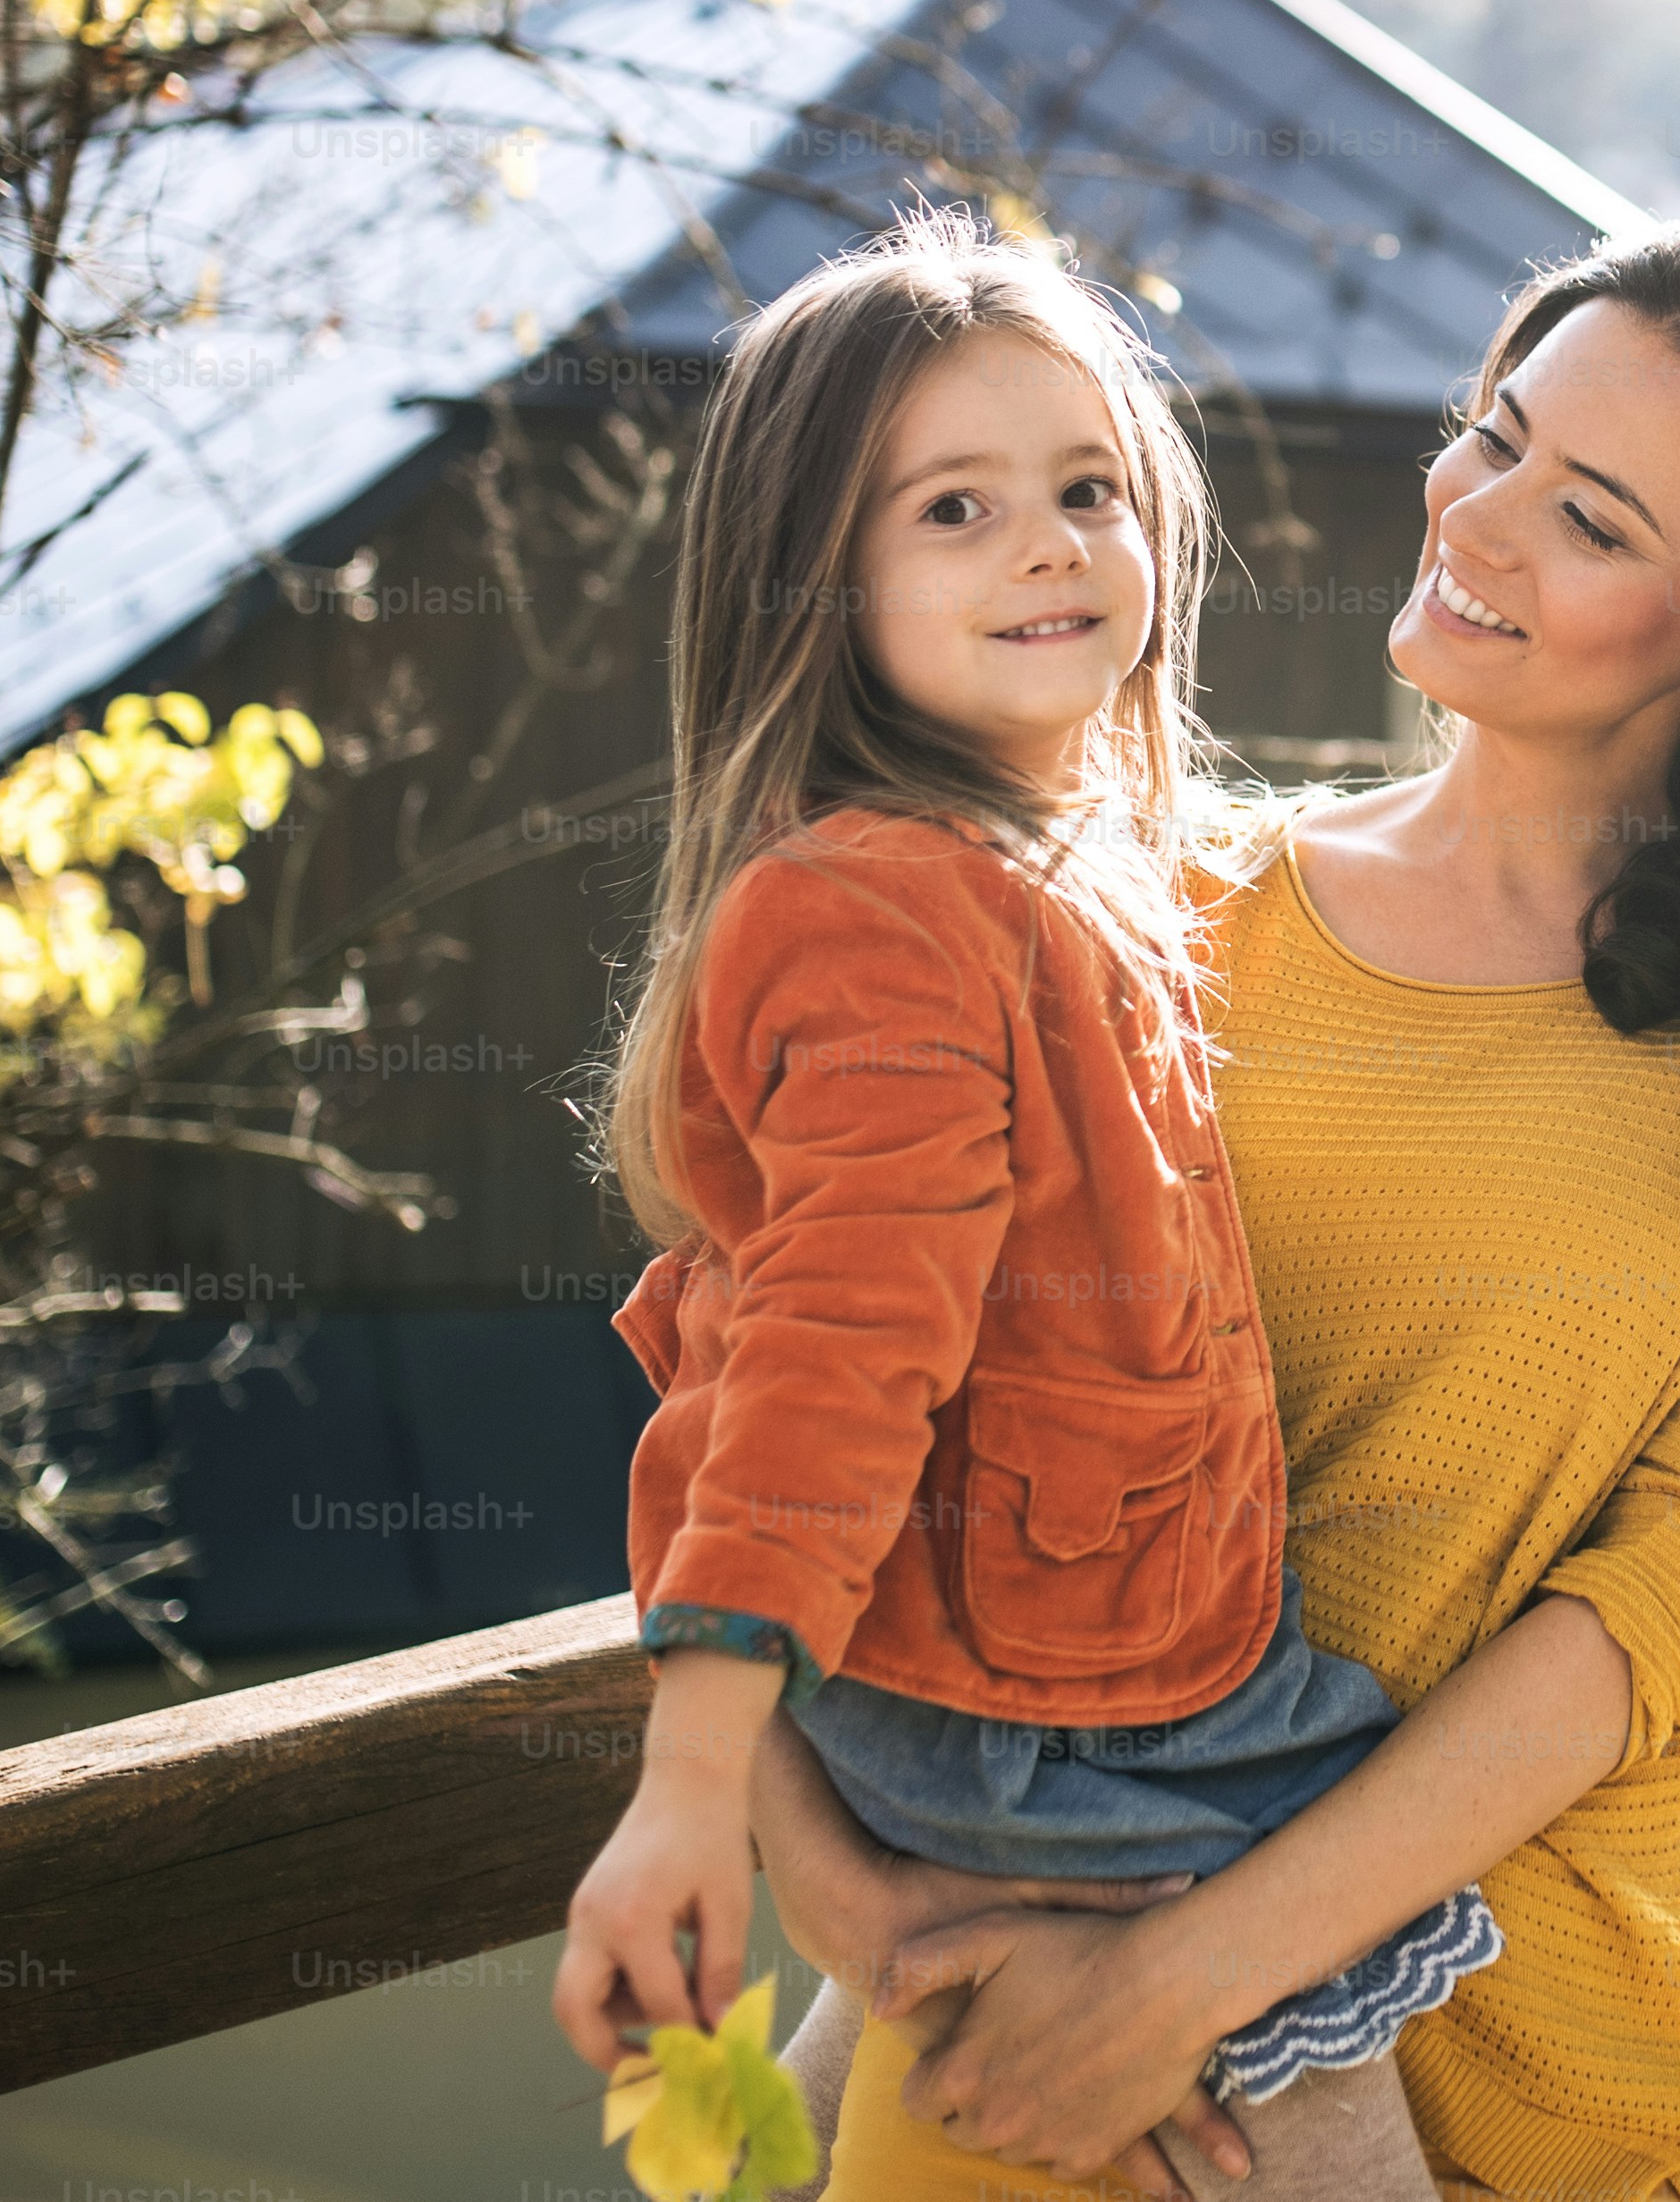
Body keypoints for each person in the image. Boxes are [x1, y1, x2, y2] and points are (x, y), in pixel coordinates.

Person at [750, 225, 1680, 2202]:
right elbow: (781, 1403)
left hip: (1518, 2063)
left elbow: (1647, 1623)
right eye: (1492, 438)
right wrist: (841, 1894)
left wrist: (1194, 1982)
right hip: (1041, 1988)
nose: (1480, 522)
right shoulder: (1132, 921)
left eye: (1588, 518)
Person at [553, 214, 1483, 2202]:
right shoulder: (878, 911)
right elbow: (834, 1349)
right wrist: (695, 1785)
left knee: (898, 2096)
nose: (1051, 546)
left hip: (1070, 1677)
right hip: (1066, 1728)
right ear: (821, 585)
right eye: (955, 511)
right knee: (1318, 2145)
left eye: (1087, 491)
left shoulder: (1071, 859)